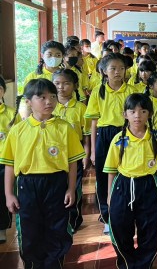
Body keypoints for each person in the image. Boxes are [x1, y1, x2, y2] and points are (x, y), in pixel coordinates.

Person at [1, 79, 84, 268]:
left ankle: (54, 264)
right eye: (42, 97)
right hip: (27, 185)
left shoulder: (65, 128)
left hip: (56, 183)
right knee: (30, 230)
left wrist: (71, 188)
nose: (49, 101)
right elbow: (9, 165)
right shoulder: (18, 130)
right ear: (28, 101)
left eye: (53, 97)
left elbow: (72, 163)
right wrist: (8, 194)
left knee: (57, 228)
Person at [104, 93, 157, 269]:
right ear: (125, 114)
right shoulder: (119, 139)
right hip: (123, 186)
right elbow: (111, 170)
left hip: (148, 185)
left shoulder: (155, 138)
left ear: (149, 114)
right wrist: (110, 195)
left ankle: (144, 263)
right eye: (132, 111)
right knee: (119, 226)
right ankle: (127, 262)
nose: (137, 116)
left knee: (149, 228)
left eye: (143, 111)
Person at [85, 53, 135, 234]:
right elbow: (93, 122)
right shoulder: (99, 91)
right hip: (104, 135)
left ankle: (124, 211)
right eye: (113, 68)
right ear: (104, 71)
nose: (118, 72)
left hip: (125, 134)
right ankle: (106, 216)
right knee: (103, 176)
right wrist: (91, 150)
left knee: (125, 172)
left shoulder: (131, 91)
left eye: (121, 68)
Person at [53, 69, 91, 232]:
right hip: (53, 157)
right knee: (58, 188)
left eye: (66, 83)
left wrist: (87, 155)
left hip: (75, 154)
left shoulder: (81, 108)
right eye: (57, 83)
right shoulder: (50, 106)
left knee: (74, 187)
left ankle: (73, 220)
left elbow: (86, 135)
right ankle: (59, 220)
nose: (61, 87)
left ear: (75, 86)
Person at [0, 77, 19, 243]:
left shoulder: (12, 113)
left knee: (2, 195)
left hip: (4, 163)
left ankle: (2, 229)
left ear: (3, 91)